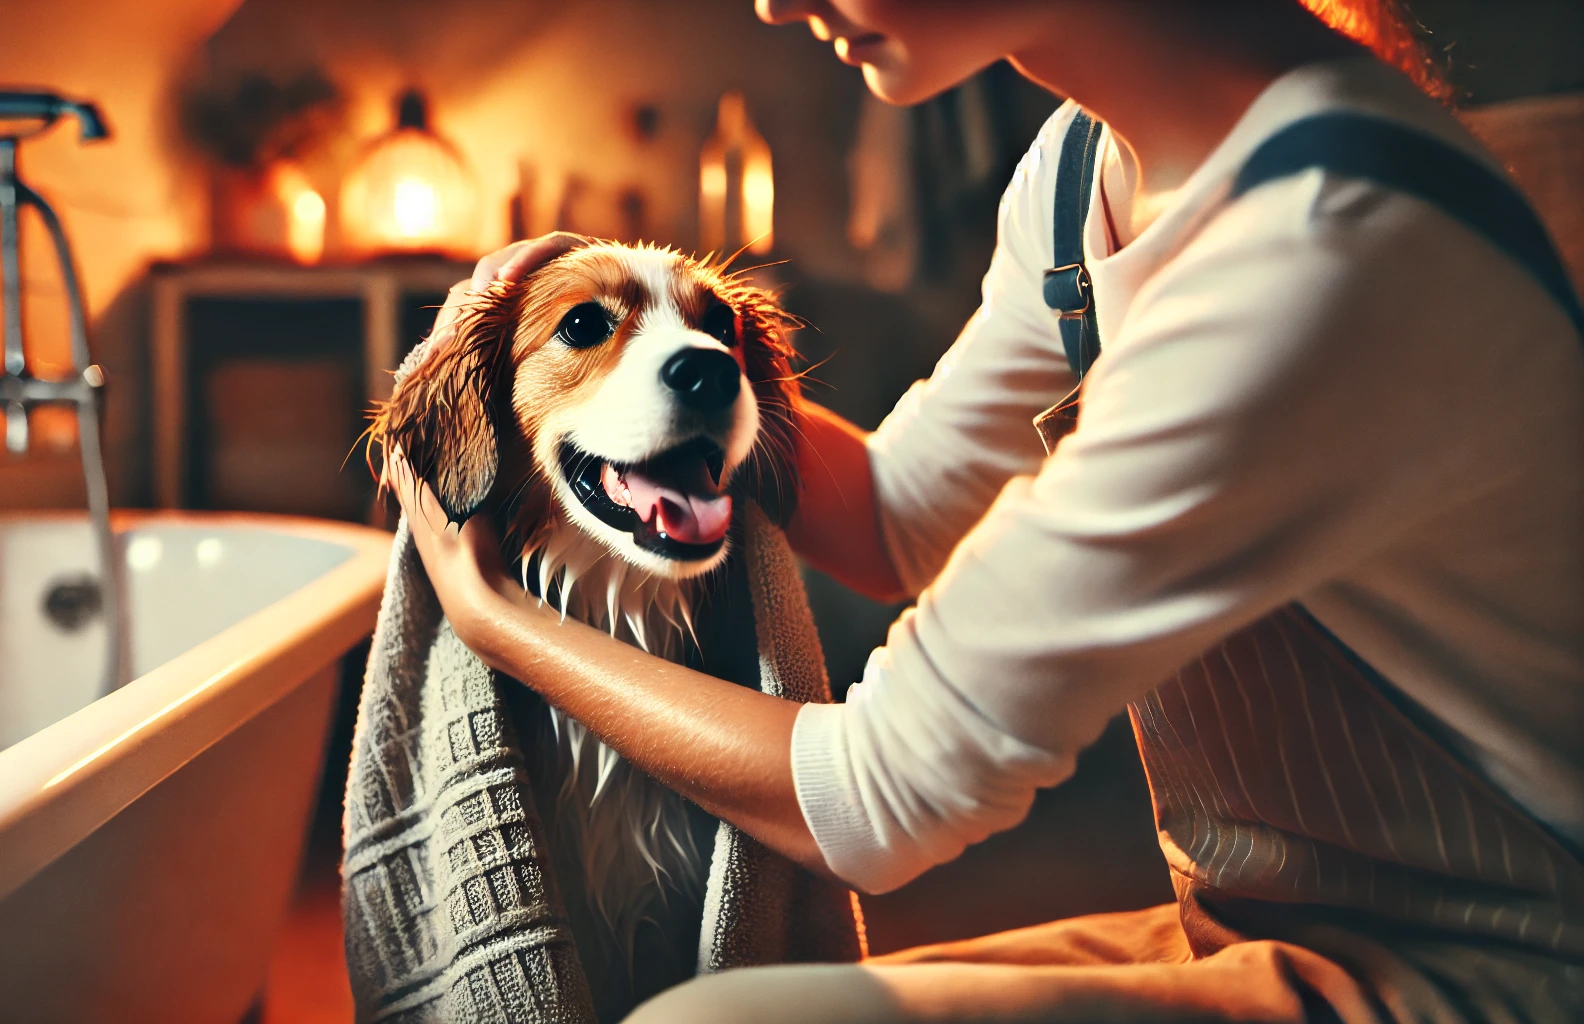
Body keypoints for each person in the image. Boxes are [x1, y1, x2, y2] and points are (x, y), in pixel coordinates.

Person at [383, 1, 1584, 1019]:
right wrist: (670, 356)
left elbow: (872, 799)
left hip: (1495, 973)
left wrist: (490, 618)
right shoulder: (1085, 177)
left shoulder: (1319, 235)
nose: (768, 3)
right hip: (1244, 927)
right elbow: (898, 516)